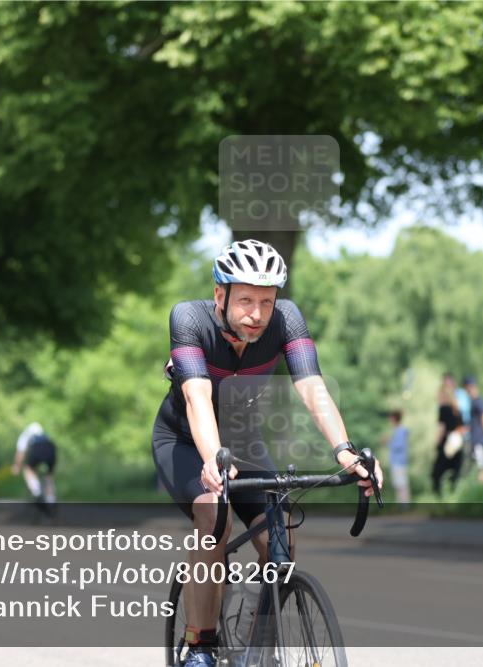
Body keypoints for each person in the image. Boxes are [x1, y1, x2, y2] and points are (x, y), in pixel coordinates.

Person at [152, 239, 383, 667]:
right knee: (211, 515)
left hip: (245, 442)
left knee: (281, 540)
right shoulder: (189, 319)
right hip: (186, 441)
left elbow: (313, 389)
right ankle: (200, 645)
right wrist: (212, 458)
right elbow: (197, 398)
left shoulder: (287, 320)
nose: (256, 314)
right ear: (220, 295)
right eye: (244, 300)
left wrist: (344, 450)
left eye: (266, 301)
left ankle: (256, 646)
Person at [14, 421, 57, 513]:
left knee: (28, 470)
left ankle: (37, 492)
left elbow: (20, 453)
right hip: (50, 447)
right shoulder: (44, 435)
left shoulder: (25, 435)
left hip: (37, 449)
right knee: (48, 476)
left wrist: (17, 466)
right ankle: (51, 501)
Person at [431, 381, 464, 495]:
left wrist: (437, 443)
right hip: (458, 444)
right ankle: (453, 496)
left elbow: (442, 428)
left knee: (436, 473)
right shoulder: (457, 410)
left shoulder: (443, 409)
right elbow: (462, 428)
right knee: (455, 472)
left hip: (446, 444)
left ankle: (439, 498)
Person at [463, 376, 483, 483]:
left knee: (482, 468)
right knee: (475, 468)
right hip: (475, 440)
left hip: (479, 441)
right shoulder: (473, 402)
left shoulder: (479, 402)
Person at [383, 410, 411, 505]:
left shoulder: (400, 431)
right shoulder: (398, 431)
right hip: (397, 461)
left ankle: (404, 505)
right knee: (398, 484)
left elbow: (399, 446)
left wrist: (388, 442)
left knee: (401, 484)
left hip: (399, 461)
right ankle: (401, 504)